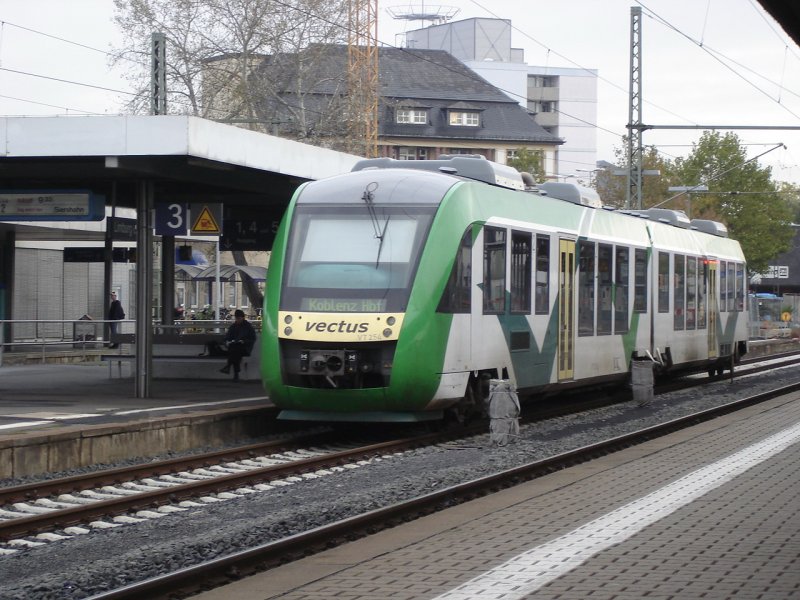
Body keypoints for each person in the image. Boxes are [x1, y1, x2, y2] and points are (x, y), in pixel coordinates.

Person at [220, 309, 256, 381]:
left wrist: (244, 341)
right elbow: (227, 336)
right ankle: (235, 373)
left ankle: (229, 366)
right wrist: (227, 341)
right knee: (235, 351)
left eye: (239, 318)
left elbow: (253, 338)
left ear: (243, 318)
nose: (237, 320)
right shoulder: (233, 326)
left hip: (245, 348)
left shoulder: (248, 327)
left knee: (235, 350)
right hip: (235, 348)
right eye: (236, 318)